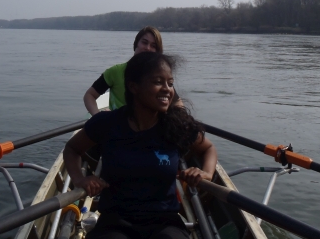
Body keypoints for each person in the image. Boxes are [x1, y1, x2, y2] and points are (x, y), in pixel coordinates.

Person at [64, 52, 217, 239]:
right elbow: (72, 149)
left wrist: (206, 173)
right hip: (115, 222)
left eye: (170, 83)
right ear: (134, 87)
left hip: (165, 222)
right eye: (158, 81)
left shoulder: (176, 125)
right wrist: (80, 180)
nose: (167, 90)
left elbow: (208, 149)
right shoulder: (107, 123)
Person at [84, 27, 163, 115]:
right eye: (144, 42)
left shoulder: (160, 75)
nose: (148, 48)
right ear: (136, 43)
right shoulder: (116, 71)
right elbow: (89, 95)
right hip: (118, 127)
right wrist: (98, 117)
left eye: (153, 46)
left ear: (157, 52)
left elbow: (177, 102)